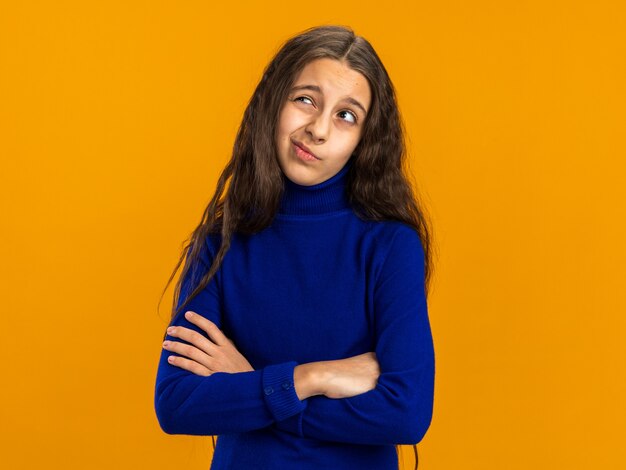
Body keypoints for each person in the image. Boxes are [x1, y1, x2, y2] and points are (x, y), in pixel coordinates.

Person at [154, 24, 436, 470]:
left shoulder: (389, 245)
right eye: (306, 99)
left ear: (365, 140)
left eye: (347, 115)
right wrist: (310, 378)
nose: (318, 129)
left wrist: (249, 386)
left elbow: (406, 414)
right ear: (274, 102)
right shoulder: (221, 242)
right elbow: (176, 403)